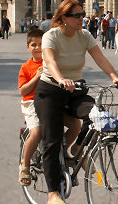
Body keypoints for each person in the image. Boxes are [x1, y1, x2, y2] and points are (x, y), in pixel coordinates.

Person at [34, 0, 118, 204]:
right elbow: (49, 60)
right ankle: (53, 194)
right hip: (50, 90)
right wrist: (60, 79)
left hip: (75, 89)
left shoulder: (84, 35)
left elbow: (99, 57)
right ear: (63, 19)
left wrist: (114, 77)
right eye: (76, 15)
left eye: (82, 14)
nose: (81, 18)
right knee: (52, 139)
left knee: (97, 115)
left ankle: (77, 148)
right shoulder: (52, 35)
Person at [18, 28, 81, 187]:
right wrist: (37, 77)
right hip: (31, 102)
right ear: (28, 47)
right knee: (38, 131)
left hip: (53, 100)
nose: (38, 48)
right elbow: (22, 91)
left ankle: (61, 149)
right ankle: (24, 164)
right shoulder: (26, 67)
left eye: (41, 44)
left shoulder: (53, 62)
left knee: (75, 125)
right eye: (34, 45)